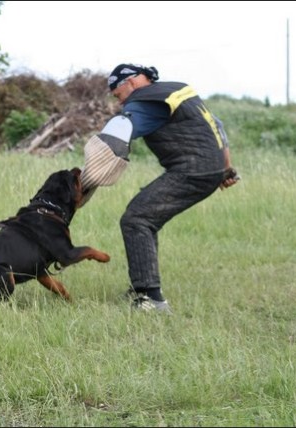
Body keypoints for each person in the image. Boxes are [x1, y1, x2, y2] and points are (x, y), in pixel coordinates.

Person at [80, 63, 239, 312]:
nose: (121, 102)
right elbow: (217, 125)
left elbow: (120, 129)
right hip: (209, 168)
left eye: (118, 95)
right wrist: (225, 168)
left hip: (193, 171)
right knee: (145, 218)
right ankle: (142, 287)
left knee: (137, 219)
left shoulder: (143, 100)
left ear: (130, 83)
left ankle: (152, 299)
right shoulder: (178, 90)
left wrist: (86, 180)